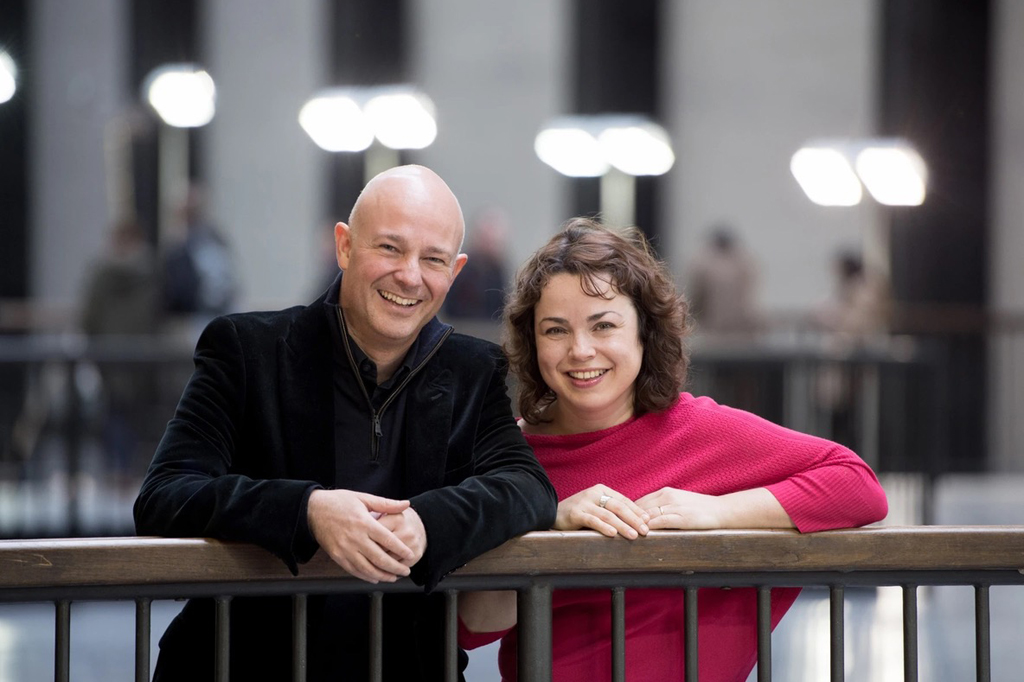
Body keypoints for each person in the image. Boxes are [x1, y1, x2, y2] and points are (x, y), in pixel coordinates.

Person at [134, 165, 557, 681]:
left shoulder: (472, 370)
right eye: (390, 248)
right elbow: (165, 497)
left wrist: (426, 522)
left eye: (433, 259)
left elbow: (527, 487)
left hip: (407, 665)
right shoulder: (246, 350)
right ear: (345, 246)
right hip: (243, 664)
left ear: (456, 271)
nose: (409, 275)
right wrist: (309, 510)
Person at [458, 218, 888, 682]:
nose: (580, 351)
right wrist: (545, 522)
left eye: (603, 325)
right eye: (556, 331)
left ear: (644, 331)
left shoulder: (700, 430)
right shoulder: (511, 457)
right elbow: (470, 627)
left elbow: (858, 485)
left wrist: (718, 511)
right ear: (532, 342)